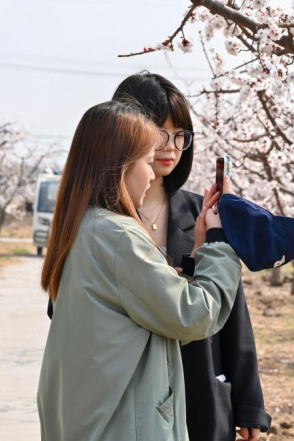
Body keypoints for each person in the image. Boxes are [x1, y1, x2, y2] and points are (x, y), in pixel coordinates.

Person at [38, 100, 242, 441]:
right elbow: (194, 316)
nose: (152, 174)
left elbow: (149, 305)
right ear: (119, 166)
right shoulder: (117, 235)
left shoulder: (82, 226)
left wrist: (198, 251)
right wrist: (221, 242)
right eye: (148, 162)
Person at [112, 72, 271, 441]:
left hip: (197, 384)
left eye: (179, 134)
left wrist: (248, 404)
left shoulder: (202, 213)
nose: (170, 146)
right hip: (126, 390)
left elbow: (232, 310)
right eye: (158, 132)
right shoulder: (102, 222)